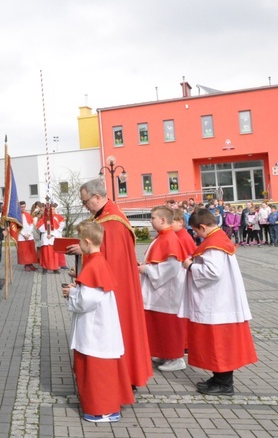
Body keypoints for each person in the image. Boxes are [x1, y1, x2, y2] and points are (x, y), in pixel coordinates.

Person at [67, 179, 152, 389]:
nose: (85, 206)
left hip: (115, 291)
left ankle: (122, 378)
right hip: (111, 286)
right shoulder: (104, 217)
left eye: (86, 201)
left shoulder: (112, 222)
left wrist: (84, 254)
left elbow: (107, 259)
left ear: (97, 197)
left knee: (117, 331)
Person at [63, 221, 134, 423]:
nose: (78, 244)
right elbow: (91, 292)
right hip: (101, 325)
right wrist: (76, 289)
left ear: (86, 241)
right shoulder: (98, 261)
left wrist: (72, 294)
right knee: (101, 370)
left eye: (79, 240)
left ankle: (102, 410)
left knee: (97, 372)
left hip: (96, 329)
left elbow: (87, 300)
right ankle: (105, 408)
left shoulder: (94, 264)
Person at [181, 209, 258, 395]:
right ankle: (218, 377)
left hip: (218, 301)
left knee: (219, 343)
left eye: (197, 232)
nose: (197, 235)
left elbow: (212, 272)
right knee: (215, 342)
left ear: (203, 227)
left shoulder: (214, 244)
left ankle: (224, 383)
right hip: (219, 299)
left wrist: (190, 266)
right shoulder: (218, 238)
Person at [138, 206, 188, 372]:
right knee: (159, 324)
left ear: (163, 220)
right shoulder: (162, 237)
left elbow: (172, 267)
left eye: (153, 218)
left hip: (167, 291)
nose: (150, 221)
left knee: (169, 325)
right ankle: (165, 353)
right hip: (159, 290)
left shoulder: (169, 239)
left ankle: (176, 357)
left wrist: (147, 270)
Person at [36, 204, 60, 273]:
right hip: (45, 239)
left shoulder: (54, 219)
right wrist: (46, 231)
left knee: (54, 255)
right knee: (45, 255)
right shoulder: (42, 219)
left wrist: (51, 234)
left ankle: (55, 268)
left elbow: (57, 229)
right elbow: (39, 228)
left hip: (52, 240)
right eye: (48, 211)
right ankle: (45, 268)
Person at [17, 201, 38, 271]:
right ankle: (26, 265)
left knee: (30, 250)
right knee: (24, 252)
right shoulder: (17, 216)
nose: (23, 208)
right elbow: (17, 227)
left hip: (29, 236)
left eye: (24, 207)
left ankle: (31, 264)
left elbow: (31, 224)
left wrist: (28, 233)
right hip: (21, 236)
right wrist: (23, 234)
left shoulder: (28, 214)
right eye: (21, 207)